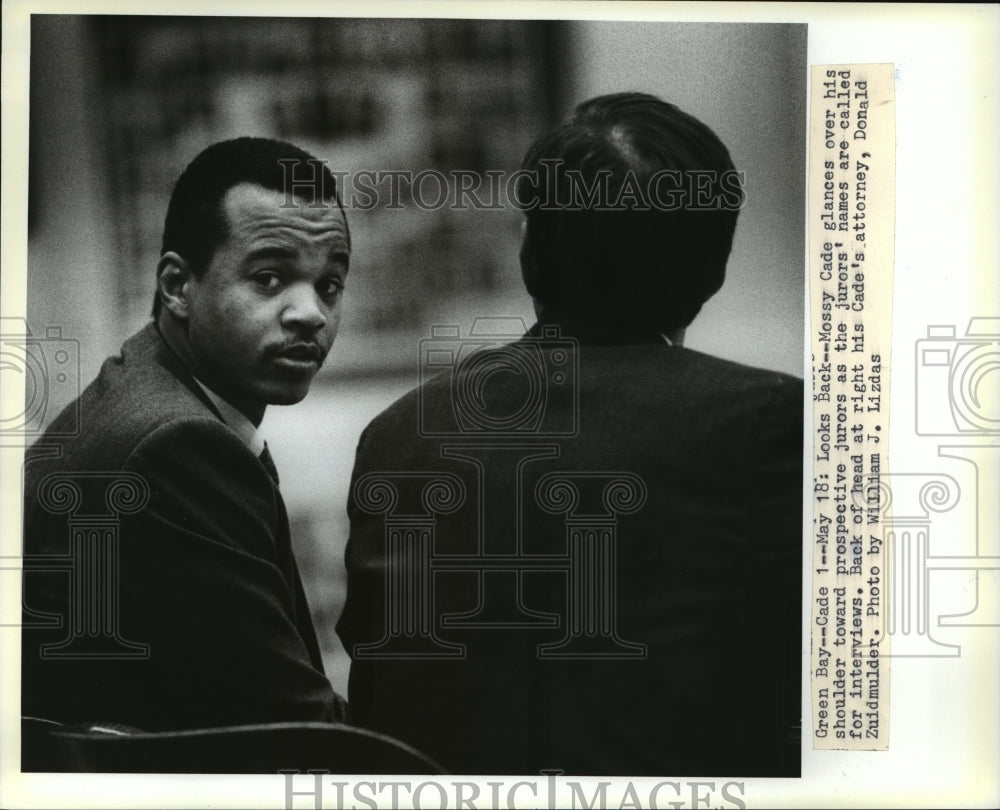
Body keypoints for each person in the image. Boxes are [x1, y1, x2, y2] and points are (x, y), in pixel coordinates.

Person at [336, 93, 803, 775]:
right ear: (715, 267)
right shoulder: (769, 424)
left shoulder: (396, 436)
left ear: (529, 248)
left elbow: (379, 704)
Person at [22, 137, 349, 734]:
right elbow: (297, 732)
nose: (311, 313)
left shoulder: (142, 390)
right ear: (177, 286)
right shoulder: (176, 443)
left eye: (329, 285)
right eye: (271, 277)